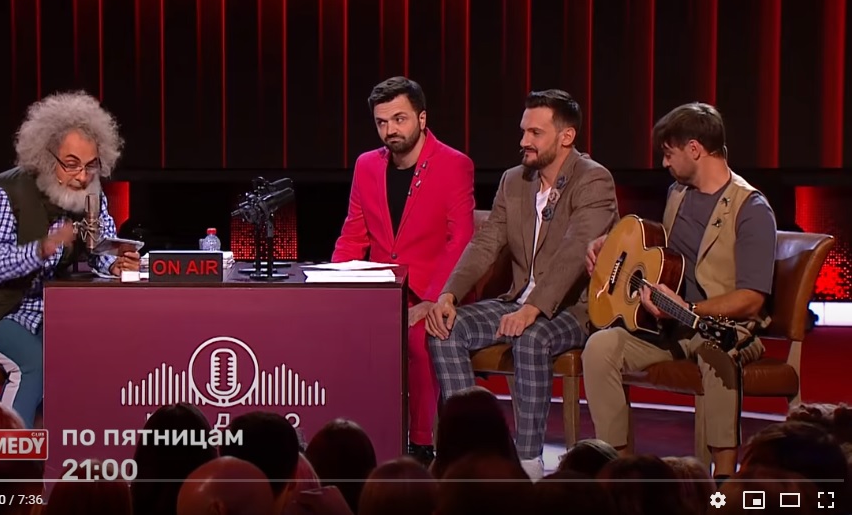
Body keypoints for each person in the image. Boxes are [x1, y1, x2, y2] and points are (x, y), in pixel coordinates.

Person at [425, 89, 618, 480]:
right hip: (516, 300)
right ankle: (475, 453)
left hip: (574, 309)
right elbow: (485, 243)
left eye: (535, 133)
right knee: (445, 329)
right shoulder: (514, 181)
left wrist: (533, 309)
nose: (524, 141)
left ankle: (529, 462)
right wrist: (448, 295)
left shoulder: (593, 180)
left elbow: (575, 251)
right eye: (523, 131)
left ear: (566, 136)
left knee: (531, 338)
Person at [582, 102, 777, 480]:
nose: (664, 163)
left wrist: (689, 307)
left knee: (717, 354)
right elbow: (661, 254)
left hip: (721, 327)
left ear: (694, 149)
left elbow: (752, 298)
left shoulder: (751, 208)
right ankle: (620, 470)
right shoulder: (678, 193)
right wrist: (610, 247)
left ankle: (722, 478)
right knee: (600, 347)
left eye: (669, 153)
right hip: (668, 326)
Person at [0, 91, 140, 429]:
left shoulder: (89, 193)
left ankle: (68, 450)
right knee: (33, 364)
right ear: (45, 157)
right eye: (71, 164)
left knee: (83, 350)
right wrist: (41, 248)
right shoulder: (5, 192)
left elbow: (98, 246)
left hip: (38, 310)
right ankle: (7, 459)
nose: (82, 176)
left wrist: (115, 263)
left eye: (91, 165)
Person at [332, 76, 475, 462]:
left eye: (399, 119)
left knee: (418, 339)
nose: (390, 130)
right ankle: (357, 435)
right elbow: (353, 234)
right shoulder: (366, 165)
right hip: (381, 291)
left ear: (422, 119)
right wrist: (333, 287)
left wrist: (432, 299)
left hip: (432, 290)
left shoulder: (454, 165)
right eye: (382, 122)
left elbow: (460, 240)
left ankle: (421, 443)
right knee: (339, 332)